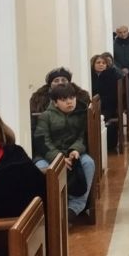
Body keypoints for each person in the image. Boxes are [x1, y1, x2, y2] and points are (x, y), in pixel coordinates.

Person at [33, 85, 95, 221]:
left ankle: (75, 207)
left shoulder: (81, 114)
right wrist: (58, 158)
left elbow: (82, 137)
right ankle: (49, 210)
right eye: (64, 99)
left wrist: (75, 150)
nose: (69, 102)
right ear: (55, 102)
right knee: (40, 169)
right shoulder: (46, 116)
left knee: (88, 163)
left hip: (73, 153)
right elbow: (42, 141)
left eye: (72, 98)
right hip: (49, 155)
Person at [90, 54, 123, 145]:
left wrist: (99, 104)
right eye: (98, 62)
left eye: (103, 63)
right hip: (92, 105)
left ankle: (101, 143)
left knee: (98, 118)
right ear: (93, 64)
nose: (101, 64)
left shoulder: (111, 76)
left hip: (107, 106)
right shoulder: (90, 76)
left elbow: (111, 96)